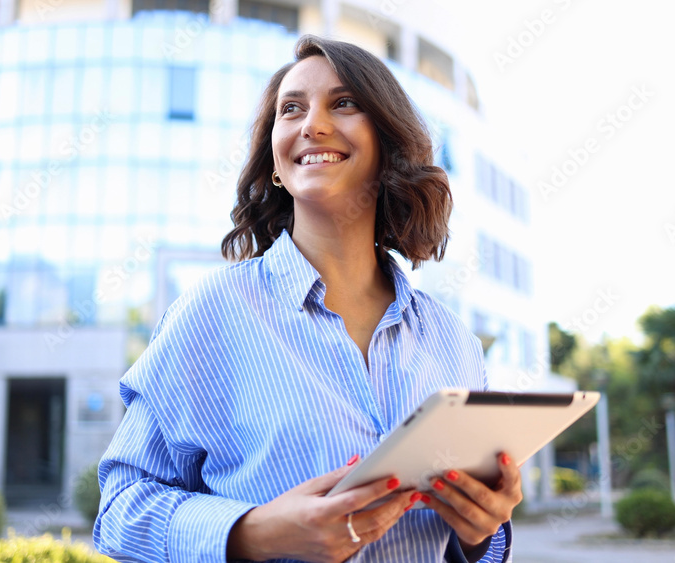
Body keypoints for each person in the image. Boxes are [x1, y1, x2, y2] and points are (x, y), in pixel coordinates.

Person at [93, 34, 521, 563]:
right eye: (290, 109)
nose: (312, 124)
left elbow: (477, 542)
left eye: (343, 103)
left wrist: (481, 533)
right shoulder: (212, 313)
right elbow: (119, 513)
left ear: (387, 142)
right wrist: (256, 531)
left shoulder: (452, 341)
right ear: (275, 160)